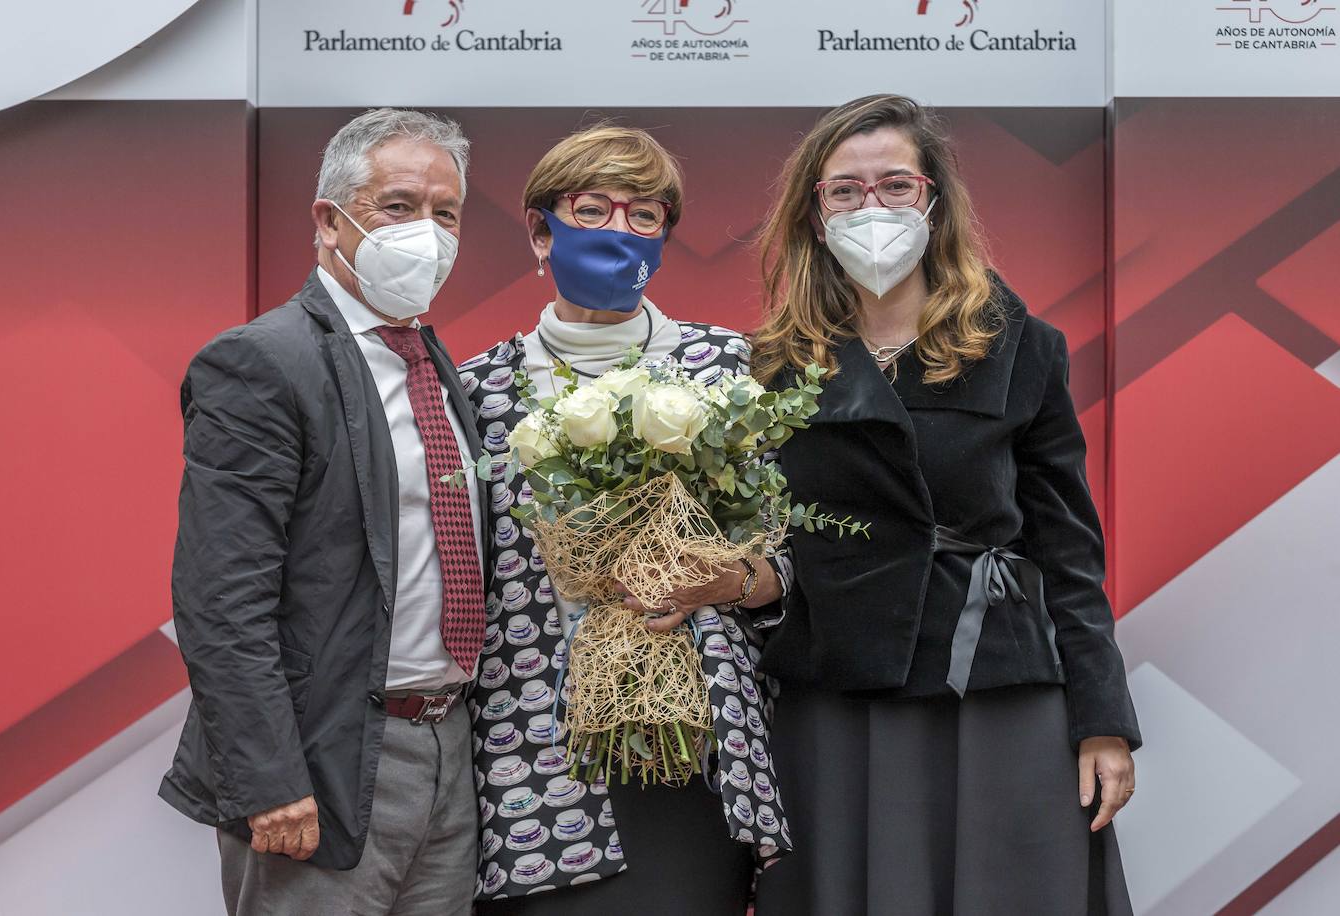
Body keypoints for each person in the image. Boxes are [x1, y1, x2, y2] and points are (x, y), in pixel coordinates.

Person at [750, 94, 1141, 916]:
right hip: (837, 691)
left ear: (934, 200)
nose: (873, 207)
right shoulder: (770, 367)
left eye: (896, 185)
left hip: (993, 687)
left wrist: (1103, 717)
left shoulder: (1022, 347)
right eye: (846, 191)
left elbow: (1067, 550)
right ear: (816, 216)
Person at [159, 108, 488, 916]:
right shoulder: (264, 361)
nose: (429, 233)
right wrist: (269, 779)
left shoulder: (434, 362)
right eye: (399, 206)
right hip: (324, 755)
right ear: (329, 220)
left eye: (446, 213)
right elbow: (220, 597)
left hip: (451, 746)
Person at [461, 124, 792, 915]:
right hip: (532, 751)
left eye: (645, 216)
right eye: (593, 209)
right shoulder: (475, 392)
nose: (620, 231)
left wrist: (737, 580)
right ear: (540, 230)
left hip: (692, 740)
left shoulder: (731, 368)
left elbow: (798, 551)